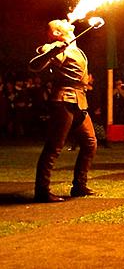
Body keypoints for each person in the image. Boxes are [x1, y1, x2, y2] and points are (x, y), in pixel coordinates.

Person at [28, 19, 98, 202]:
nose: (68, 21)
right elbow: (34, 65)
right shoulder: (55, 47)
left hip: (80, 101)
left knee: (90, 143)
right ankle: (42, 190)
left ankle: (79, 186)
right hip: (63, 100)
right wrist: (53, 50)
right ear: (57, 33)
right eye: (61, 22)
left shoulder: (75, 48)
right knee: (54, 147)